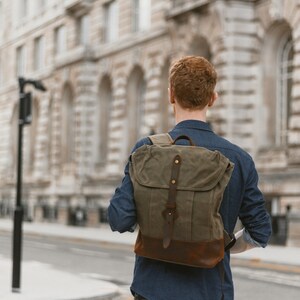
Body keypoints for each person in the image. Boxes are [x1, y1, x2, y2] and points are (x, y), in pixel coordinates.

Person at [108, 56, 272, 300]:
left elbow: (119, 219)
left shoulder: (145, 150)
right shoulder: (239, 159)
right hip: (210, 290)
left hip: (151, 290)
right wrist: (219, 247)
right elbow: (260, 232)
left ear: (171, 95)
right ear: (212, 98)